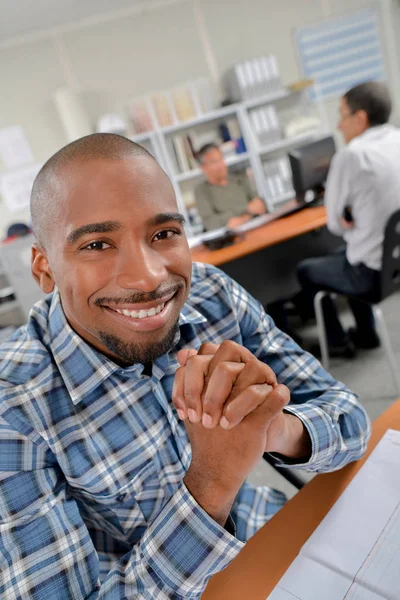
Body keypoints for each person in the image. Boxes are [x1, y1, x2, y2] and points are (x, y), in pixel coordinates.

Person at [0, 133, 370, 599]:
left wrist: (272, 428)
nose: (149, 277)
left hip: (265, 535)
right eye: (96, 244)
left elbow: (350, 419)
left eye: (163, 234)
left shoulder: (211, 295)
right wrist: (213, 480)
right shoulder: (13, 407)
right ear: (44, 269)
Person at [297, 81, 400, 357]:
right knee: (349, 251)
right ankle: (366, 334)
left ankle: (337, 342)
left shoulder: (352, 155)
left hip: (370, 275)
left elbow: (333, 224)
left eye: (342, 116)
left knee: (307, 270)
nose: (339, 125)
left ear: (360, 117)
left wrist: (349, 218)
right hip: (395, 263)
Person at [194, 143, 266, 230]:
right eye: (214, 162)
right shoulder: (201, 191)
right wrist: (247, 209)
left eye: (221, 159)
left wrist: (241, 219)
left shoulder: (240, 178)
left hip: (257, 229)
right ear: (203, 168)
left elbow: (259, 206)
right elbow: (211, 223)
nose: (220, 165)